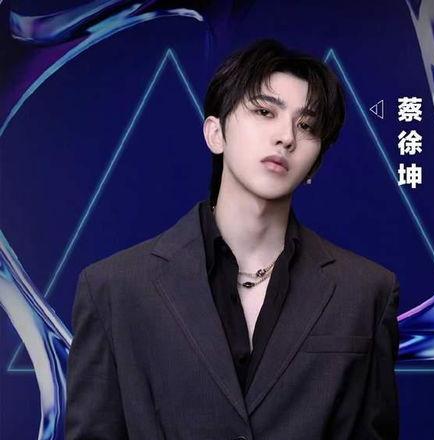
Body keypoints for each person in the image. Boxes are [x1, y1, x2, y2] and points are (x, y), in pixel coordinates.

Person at [65, 38, 400, 440]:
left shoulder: (365, 292)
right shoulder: (114, 289)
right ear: (216, 134)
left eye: (307, 126)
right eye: (264, 112)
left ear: (315, 164)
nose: (286, 137)